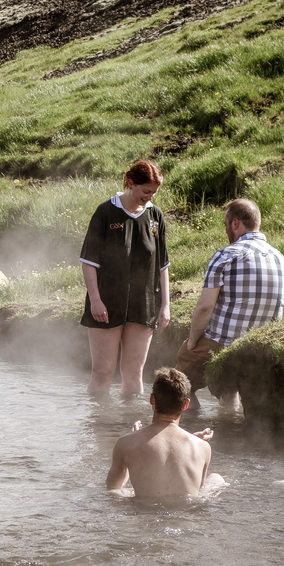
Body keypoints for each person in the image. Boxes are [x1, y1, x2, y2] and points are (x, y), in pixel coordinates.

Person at [175, 198, 284, 409]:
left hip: (221, 342)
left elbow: (205, 307)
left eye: (225, 224)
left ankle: (187, 426)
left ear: (235, 223)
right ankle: (229, 419)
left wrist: (192, 342)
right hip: (260, 346)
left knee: (177, 386)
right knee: (233, 383)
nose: (226, 230)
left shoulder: (226, 255)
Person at [80, 159, 171, 396]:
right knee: (103, 372)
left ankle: (130, 426)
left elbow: (162, 265)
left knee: (134, 374)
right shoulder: (105, 212)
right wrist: (95, 300)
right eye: (146, 191)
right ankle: (98, 428)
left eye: (154, 191)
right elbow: (89, 262)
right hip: (107, 302)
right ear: (130, 183)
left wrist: (166, 305)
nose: (150, 196)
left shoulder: (155, 216)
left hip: (143, 304)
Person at [106, 368, 220, 499]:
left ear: (152, 399)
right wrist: (193, 439)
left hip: (145, 511)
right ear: (186, 404)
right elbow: (197, 489)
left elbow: (113, 489)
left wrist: (134, 439)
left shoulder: (125, 443)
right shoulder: (202, 447)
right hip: (186, 515)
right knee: (217, 479)